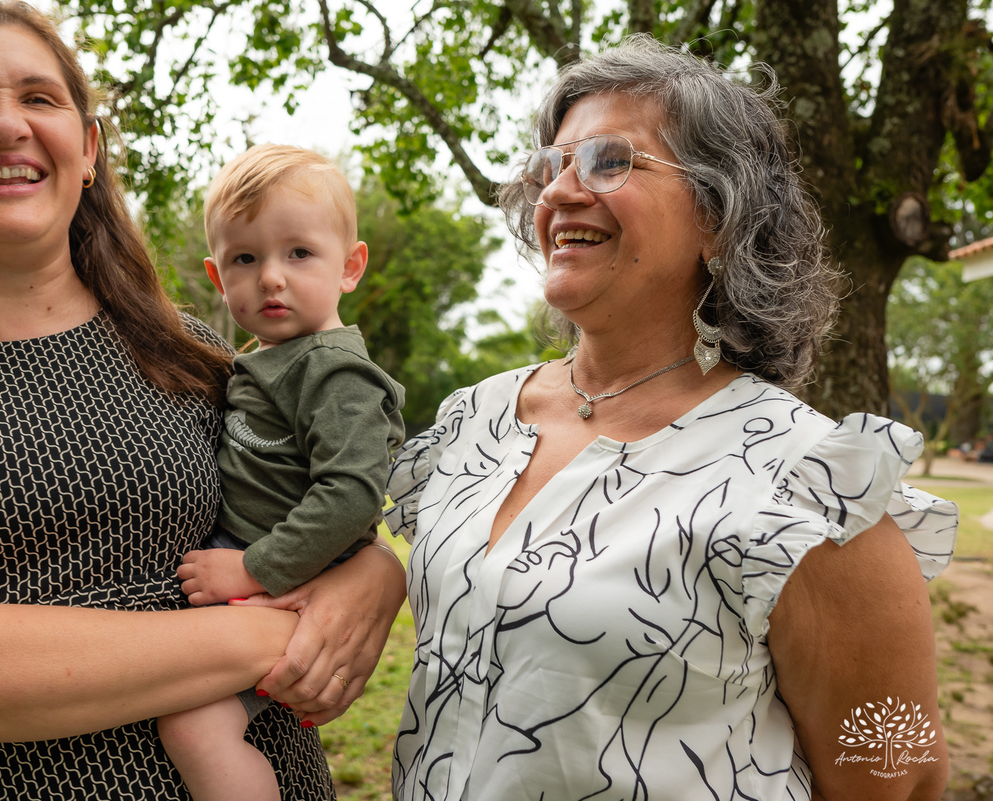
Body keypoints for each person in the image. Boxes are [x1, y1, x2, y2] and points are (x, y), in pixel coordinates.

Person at [0, 2, 406, 799]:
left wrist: (375, 575)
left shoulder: (194, 352)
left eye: (40, 98)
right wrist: (270, 633)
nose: (5, 124)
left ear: (86, 152)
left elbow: (312, 495)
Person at [385, 35, 957, 801]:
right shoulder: (474, 418)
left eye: (610, 161)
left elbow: (899, 779)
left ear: (718, 217)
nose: (557, 194)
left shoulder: (806, 484)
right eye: (550, 169)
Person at [155, 143, 406, 801]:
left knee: (193, 726)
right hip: (244, 564)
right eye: (246, 258)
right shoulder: (262, 359)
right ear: (218, 277)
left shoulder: (335, 371)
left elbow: (351, 495)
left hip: (281, 582)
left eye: (299, 253)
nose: (271, 277)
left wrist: (252, 566)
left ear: (350, 266)